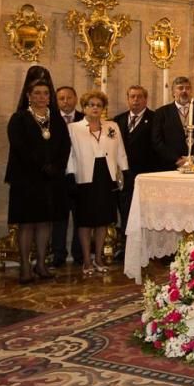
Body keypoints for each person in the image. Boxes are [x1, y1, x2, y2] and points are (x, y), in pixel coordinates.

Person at [5, 78, 70, 283]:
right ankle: (25, 265)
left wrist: (56, 167)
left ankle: (41, 263)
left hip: (51, 179)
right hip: (27, 178)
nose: (42, 97)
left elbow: (65, 146)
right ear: (28, 96)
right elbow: (20, 147)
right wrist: (41, 166)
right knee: (27, 223)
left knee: (45, 222)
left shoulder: (57, 119)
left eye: (45, 93)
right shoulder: (19, 118)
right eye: (37, 93)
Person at [67, 90, 128, 275]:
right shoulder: (74, 128)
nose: (95, 108)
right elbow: (70, 154)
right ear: (84, 107)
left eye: (99, 105)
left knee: (103, 220)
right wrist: (70, 175)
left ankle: (99, 258)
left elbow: (120, 151)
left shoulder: (112, 126)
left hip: (106, 176)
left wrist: (123, 171)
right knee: (85, 221)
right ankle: (86, 260)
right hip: (85, 177)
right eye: (91, 105)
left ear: (103, 108)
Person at [112, 85, 157, 238]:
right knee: (125, 211)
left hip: (145, 173)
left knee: (143, 213)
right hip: (124, 175)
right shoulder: (118, 120)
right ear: (128, 99)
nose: (136, 100)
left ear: (146, 99)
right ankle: (126, 246)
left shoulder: (155, 118)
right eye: (132, 96)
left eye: (139, 96)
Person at [52, 85, 84, 266]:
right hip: (59, 176)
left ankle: (79, 253)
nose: (65, 101)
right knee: (59, 217)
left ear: (76, 99)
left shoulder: (84, 119)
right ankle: (58, 254)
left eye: (69, 97)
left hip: (80, 174)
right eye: (61, 98)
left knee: (80, 216)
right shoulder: (51, 119)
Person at [152, 76, 194, 169]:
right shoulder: (162, 113)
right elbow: (157, 141)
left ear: (191, 91)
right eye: (180, 88)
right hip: (170, 165)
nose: (184, 91)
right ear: (173, 92)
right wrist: (177, 159)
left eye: (187, 88)